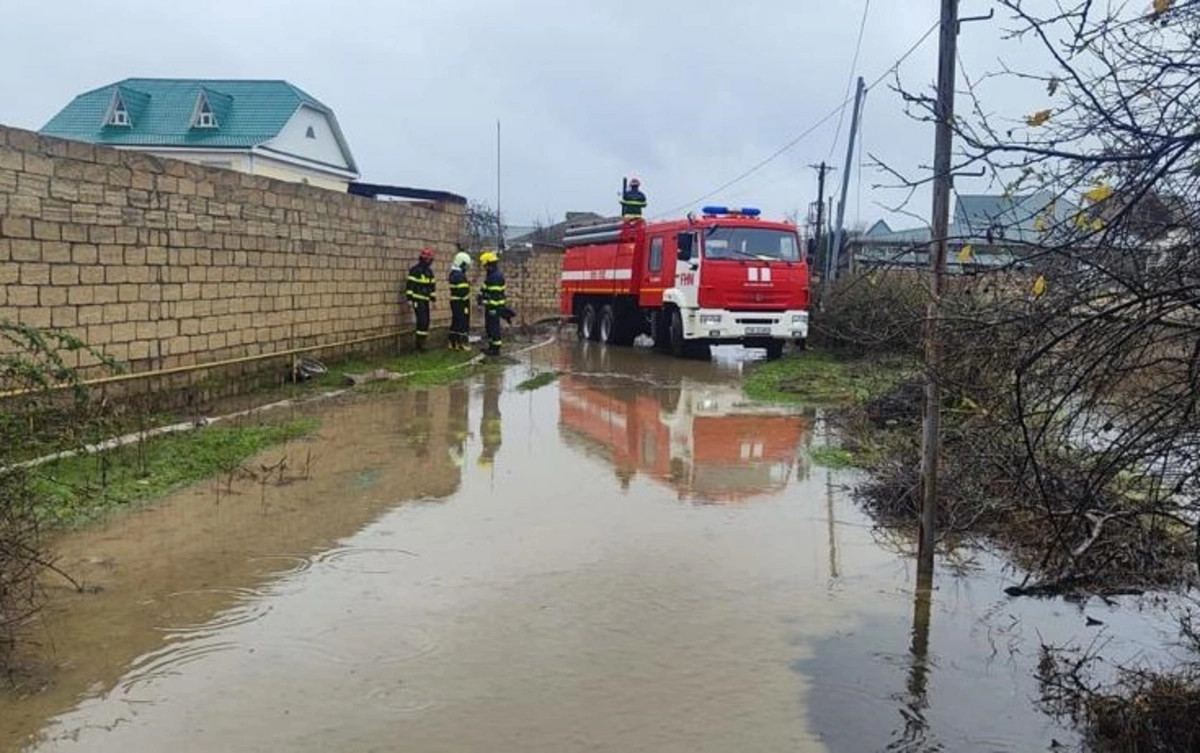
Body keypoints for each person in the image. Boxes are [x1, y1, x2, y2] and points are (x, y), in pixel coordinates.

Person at [405, 248, 437, 351]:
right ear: (424, 259)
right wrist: (409, 299)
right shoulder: (415, 270)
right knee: (421, 321)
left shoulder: (429, 272)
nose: (430, 261)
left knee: (426, 321)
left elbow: (432, 287)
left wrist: (433, 300)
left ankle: (423, 342)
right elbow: (410, 285)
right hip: (417, 300)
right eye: (429, 259)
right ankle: (419, 345)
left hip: (425, 301)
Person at [476, 250, 506, 357]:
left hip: (494, 307)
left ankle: (495, 349)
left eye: (485, 265)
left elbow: (494, 296)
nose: (484, 268)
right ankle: (491, 347)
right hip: (491, 306)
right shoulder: (492, 275)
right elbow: (485, 288)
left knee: (493, 327)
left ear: (489, 264)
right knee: (489, 327)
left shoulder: (495, 277)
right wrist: (480, 295)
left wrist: (483, 301)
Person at [447, 251, 472, 350]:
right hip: (461, 302)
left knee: (456, 322)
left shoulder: (454, 274)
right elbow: (463, 291)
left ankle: (453, 342)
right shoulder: (459, 276)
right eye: (465, 265)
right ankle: (462, 343)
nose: (466, 268)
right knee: (462, 322)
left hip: (456, 301)